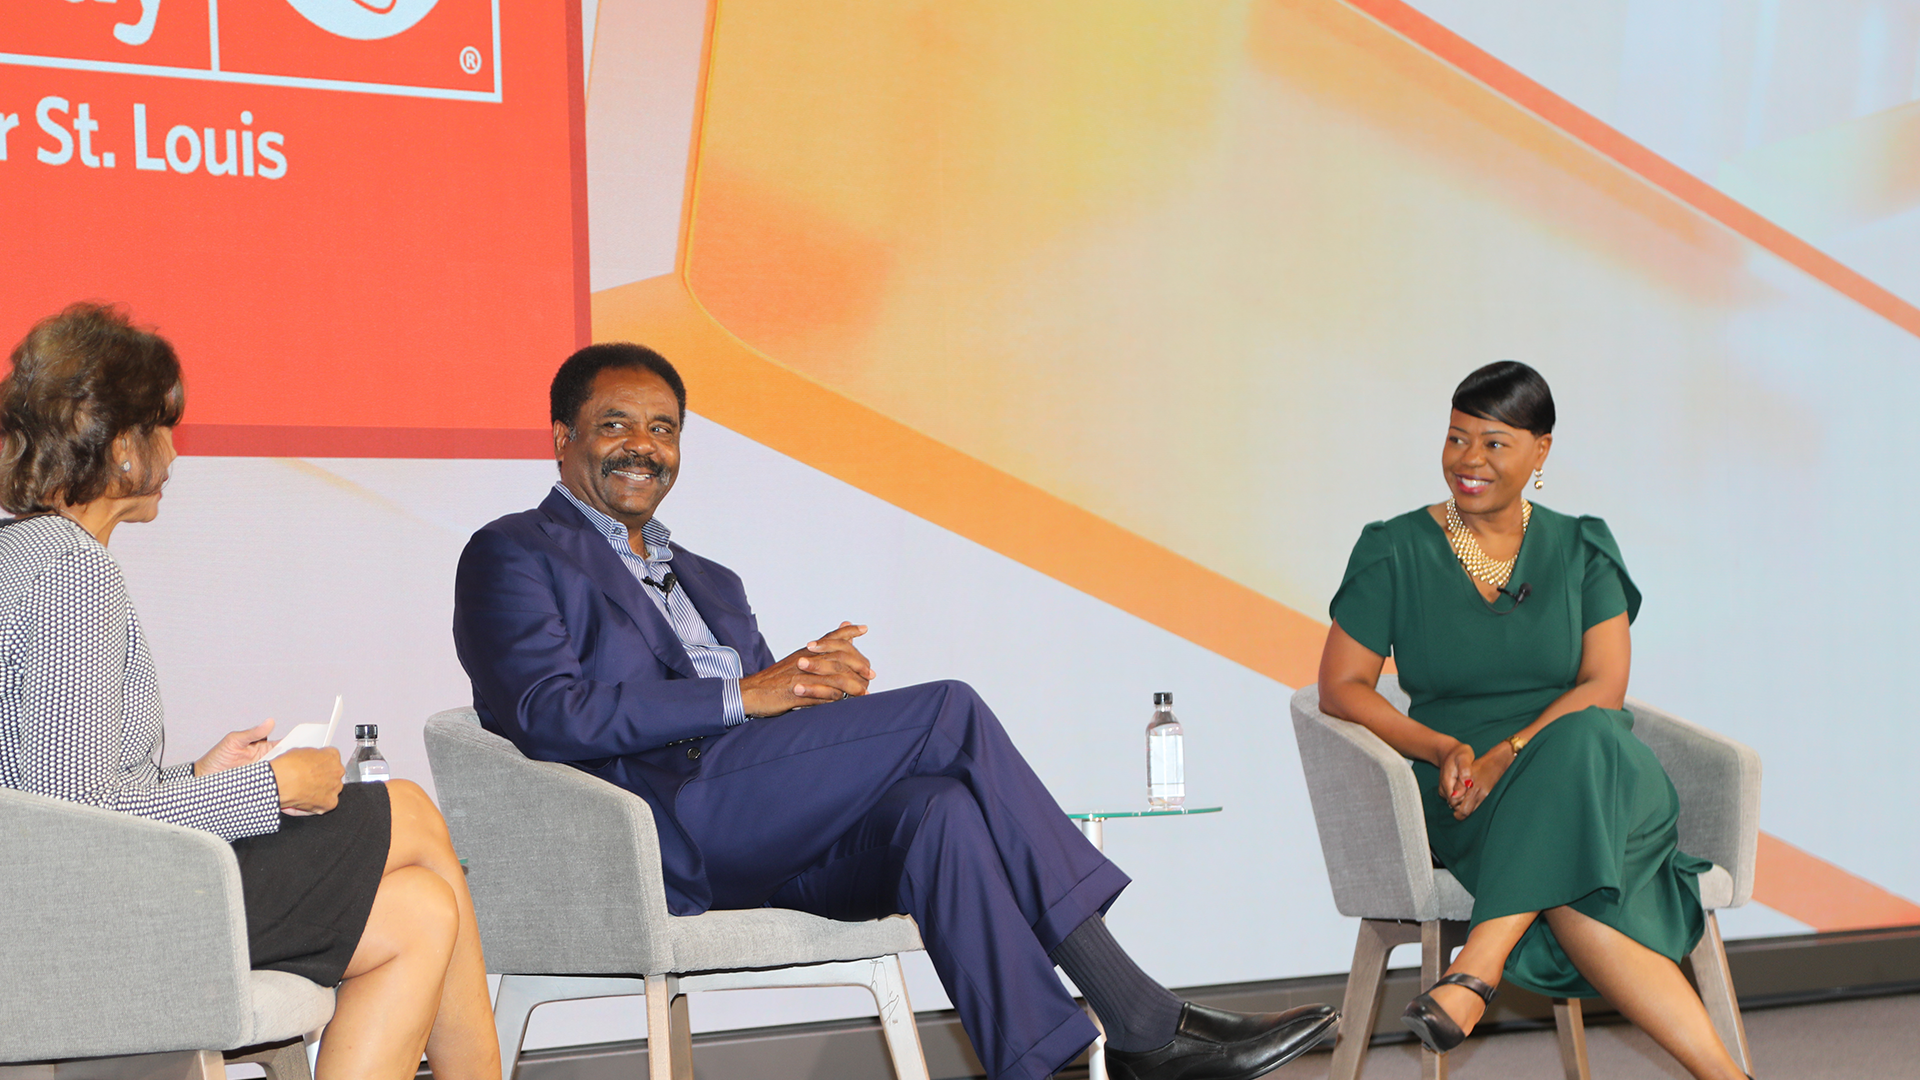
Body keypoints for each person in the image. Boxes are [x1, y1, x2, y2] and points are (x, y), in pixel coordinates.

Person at [452, 342, 1339, 1080]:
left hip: (757, 825)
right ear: (564, 437)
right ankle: (1141, 1013)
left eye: (664, 429)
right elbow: (545, 713)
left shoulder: (710, 580)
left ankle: (1050, 1065)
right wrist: (747, 692)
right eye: (616, 425)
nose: (643, 446)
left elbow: (762, 721)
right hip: (660, 831)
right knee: (946, 712)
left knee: (938, 812)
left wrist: (810, 694)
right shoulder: (515, 553)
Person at [0, 304, 499, 1080]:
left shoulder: (22, 554)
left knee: (421, 914)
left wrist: (199, 776)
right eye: (163, 428)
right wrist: (267, 791)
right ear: (121, 444)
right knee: (403, 808)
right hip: (84, 924)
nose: (174, 451)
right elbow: (75, 820)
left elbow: (46, 786)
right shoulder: (71, 572)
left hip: (59, 905)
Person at [1316, 361, 1754, 1080]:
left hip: (1604, 775)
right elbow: (1342, 686)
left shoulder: (1583, 547)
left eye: (1494, 444)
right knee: (1578, 879)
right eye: (1457, 440)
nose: (1469, 461)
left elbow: (1605, 687)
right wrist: (1443, 746)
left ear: (1540, 452)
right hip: (1469, 795)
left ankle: (1477, 969)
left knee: (1581, 738)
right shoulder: (1393, 548)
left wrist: (1511, 749)